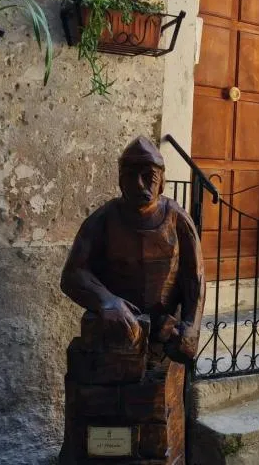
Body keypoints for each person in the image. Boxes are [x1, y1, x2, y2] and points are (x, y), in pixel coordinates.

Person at [60, 135, 205, 363]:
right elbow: (72, 275)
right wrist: (107, 301)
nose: (138, 184)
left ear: (162, 182)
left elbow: (194, 278)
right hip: (117, 333)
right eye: (130, 176)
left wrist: (191, 327)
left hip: (164, 334)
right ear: (120, 181)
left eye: (148, 177)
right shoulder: (104, 219)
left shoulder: (177, 219)